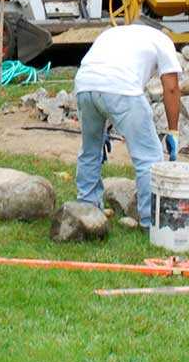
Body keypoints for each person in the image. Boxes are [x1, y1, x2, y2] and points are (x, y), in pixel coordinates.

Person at [74, 17, 183, 226]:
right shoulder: (162, 39)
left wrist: (104, 123)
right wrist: (173, 131)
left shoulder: (112, 33)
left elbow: (103, 75)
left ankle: (86, 210)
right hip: (122, 88)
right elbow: (171, 87)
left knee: (90, 150)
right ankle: (151, 221)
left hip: (84, 85)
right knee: (148, 157)